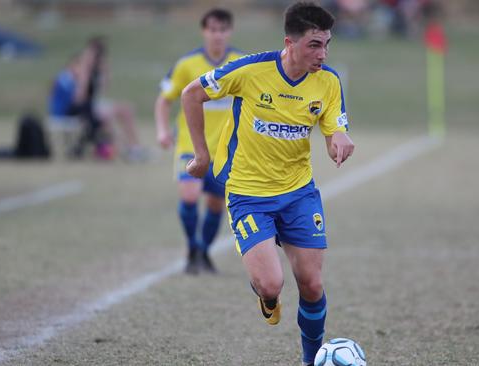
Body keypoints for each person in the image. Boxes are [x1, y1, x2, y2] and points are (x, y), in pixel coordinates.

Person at [181, 2, 355, 364]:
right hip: (249, 194)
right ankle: (266, 294)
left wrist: (338, 137)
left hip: (298, 193)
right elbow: (191, 94)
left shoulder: (329, 81)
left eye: (326, 44)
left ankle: (310, 360)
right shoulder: (251, 70)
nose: (322, 54)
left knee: (311, 284)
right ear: (289, 42)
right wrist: (201, 155)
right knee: (271, 284)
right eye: (314, 45)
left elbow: (334, 126)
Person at [154, 9, 243, 274]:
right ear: (204, 31)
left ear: (230, 31)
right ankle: (193, 246)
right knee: (190, 196)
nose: (218, 35)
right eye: (213, 29)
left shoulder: (241, 63)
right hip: (189, 147)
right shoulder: (187, 64)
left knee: (216, 204)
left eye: (223, 29)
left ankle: (203, 251)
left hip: (225, 151)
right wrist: (161, 130)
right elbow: (164, 100)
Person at [74, 36, 146, 161]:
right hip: (85, 107)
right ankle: (123, 150)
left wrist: (104, 69)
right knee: (108, 116)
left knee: (127, 109)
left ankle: (135, 148)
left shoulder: (97, 69)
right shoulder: (82, 68)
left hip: (97, 104)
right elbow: (80, 95)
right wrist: (85, 69)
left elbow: (105, 88)